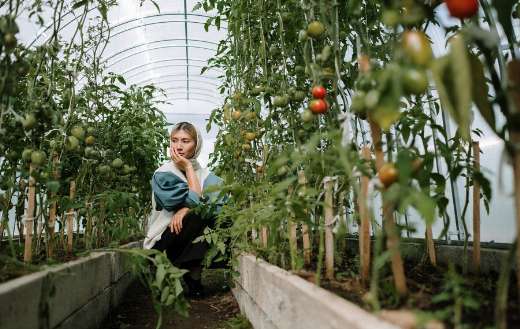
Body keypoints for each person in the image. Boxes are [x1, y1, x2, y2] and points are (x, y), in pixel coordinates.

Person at [143, 122, 225, 297]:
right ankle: (160, 266)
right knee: (197, 214)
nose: (178, 146)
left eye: (185, 141)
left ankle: (192, 277)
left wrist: (185, 209)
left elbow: (217, 211)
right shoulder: (164, 173)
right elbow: (190, 203)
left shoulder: (209, 177)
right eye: (174, 140)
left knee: (205, 219)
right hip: (164, 238)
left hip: (191, 237)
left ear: (197, 145)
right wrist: (188, 168)